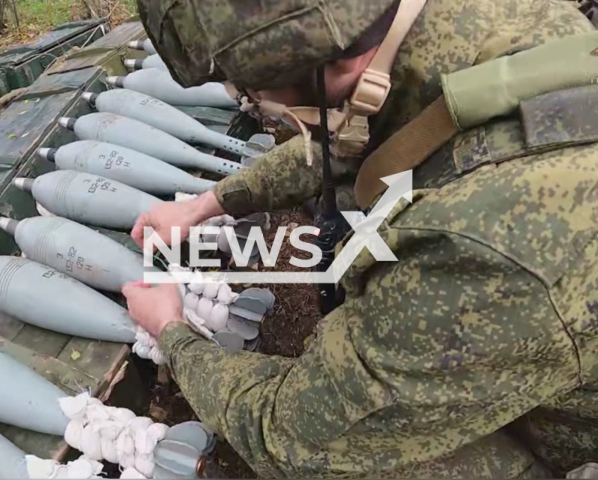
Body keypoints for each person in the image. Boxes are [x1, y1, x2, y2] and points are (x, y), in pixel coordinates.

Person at [122, 0, 598, 477]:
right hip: (545, 360)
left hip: (569, 442)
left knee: (354, 460)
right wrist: (210, 203)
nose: (256, 108)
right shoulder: (469, 23)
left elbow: (290, 437)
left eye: (251, 97)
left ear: (342, 64)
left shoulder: (479, 245)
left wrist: (174, 334)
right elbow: (376, 138)